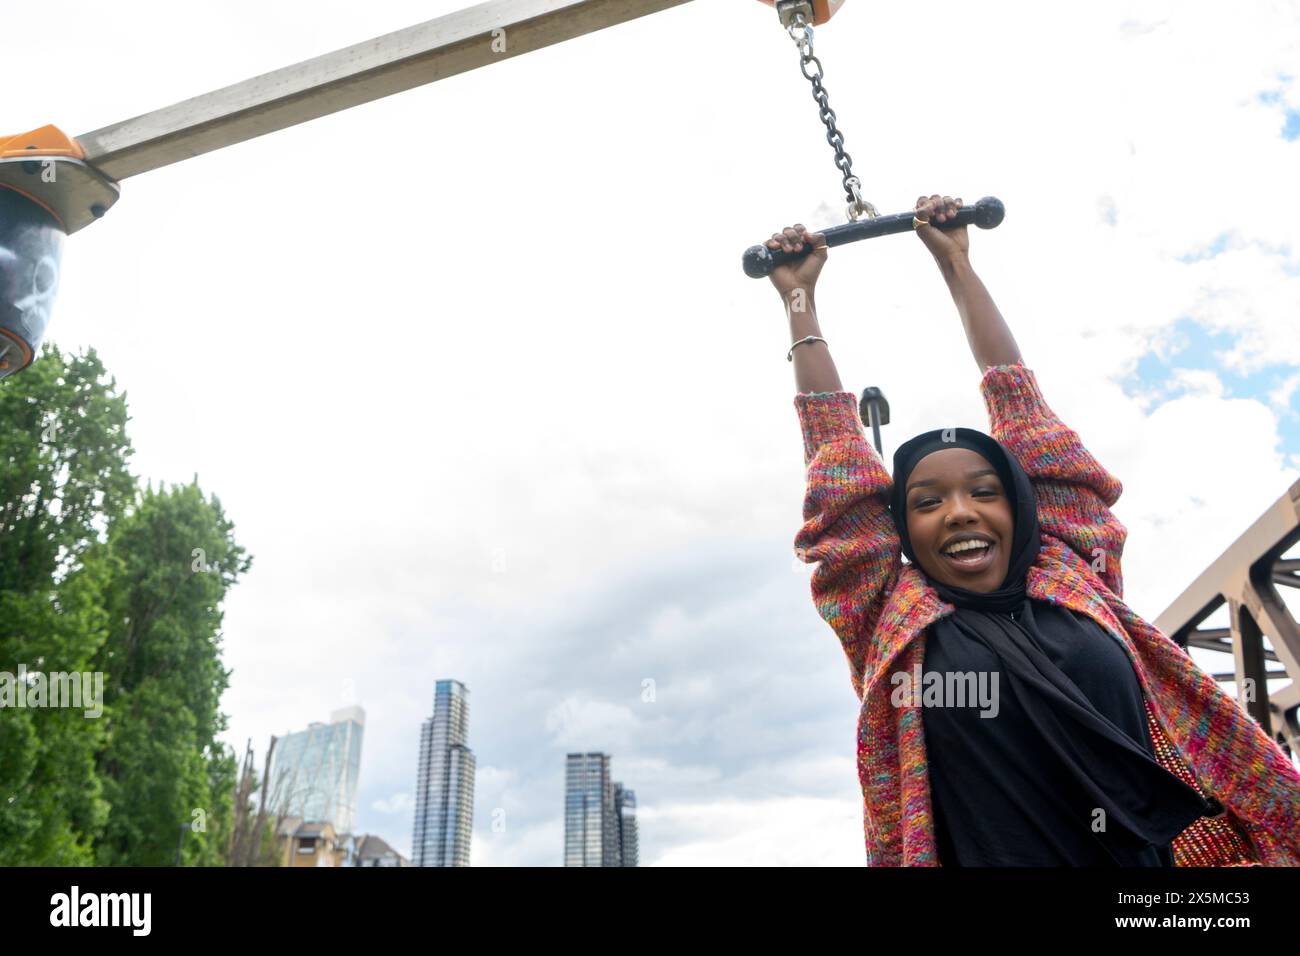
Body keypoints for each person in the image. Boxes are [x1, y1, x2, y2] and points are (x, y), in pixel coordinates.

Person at [775, 194, 1300, 866]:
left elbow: (1023, 410)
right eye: (928, 502)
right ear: (900, 531)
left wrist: (958, 264)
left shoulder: (1076, 571)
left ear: (1021, 506)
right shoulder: (889, 619)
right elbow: (839, 473)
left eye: (984, 491)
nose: (960, 512)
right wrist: (798, 304)